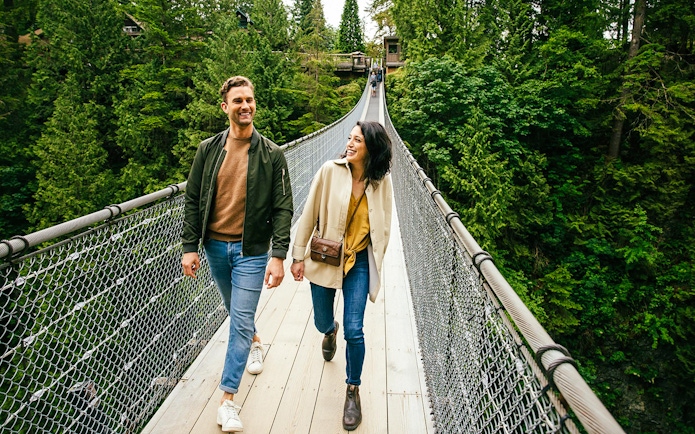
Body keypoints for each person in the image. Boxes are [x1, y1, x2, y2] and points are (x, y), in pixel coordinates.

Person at [181, 75, 293, 432]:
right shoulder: (208, 150)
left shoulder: (272, 154)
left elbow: (283, 207)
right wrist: (188, 247)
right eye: (238, 100)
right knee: (237, 312)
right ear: (225, 107)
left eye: (250, 99)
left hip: (252, 251)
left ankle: (227, 400)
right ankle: (256, 342)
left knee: (239, 320)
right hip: (214, 246)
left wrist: (278, 254)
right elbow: (193, 200)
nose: (245, 105)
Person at [290, 121, 393, 431]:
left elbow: (384, 223)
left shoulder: (381, 182)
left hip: (359, 260)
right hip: (325, 255)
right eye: (349, 138)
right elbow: (308, 213)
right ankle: (328, 330)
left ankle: (353, 389)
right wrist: (297, 256)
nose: (349, 143)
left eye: (357, 140)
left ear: (371, 148)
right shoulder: (329, 171)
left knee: (355, 330)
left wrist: (377, 255)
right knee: (323, 320)